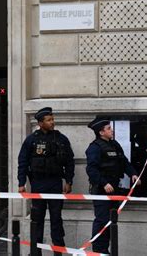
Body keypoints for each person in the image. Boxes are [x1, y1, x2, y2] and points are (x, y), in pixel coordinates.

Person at [18, 107, 75, 255]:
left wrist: (68, 181)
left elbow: (70, 161)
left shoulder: (61, 138)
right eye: (49, 120)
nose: (52, 122)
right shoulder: (31, 140)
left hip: (55, 183)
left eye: (52, 119)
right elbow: (23, 162)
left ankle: (58, 252)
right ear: (40, 123)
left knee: (56, 219)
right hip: (38, 183)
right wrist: (21, 182)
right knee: (37, 220)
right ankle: (36, 252)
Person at [86, 117, 140, 254]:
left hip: (114, 189)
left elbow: (124, 162)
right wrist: (103, 183)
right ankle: (98, 250)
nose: (112, 130)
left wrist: (133, 174)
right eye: (109, 128)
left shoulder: (114, 144)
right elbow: (91, 170)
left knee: (111, 222)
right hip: (101, 191)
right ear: (101, 132)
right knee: (102, 221)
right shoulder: (95, 148)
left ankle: (106, 250)